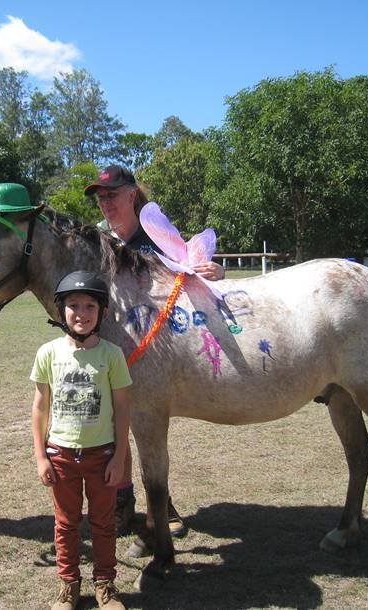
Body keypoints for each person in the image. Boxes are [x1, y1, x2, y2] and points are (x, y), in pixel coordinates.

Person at [84, 165, 225, 542]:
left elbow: (190, 272)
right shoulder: (96, 239)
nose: (106, 202)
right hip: (109, 345)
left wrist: (217, 270)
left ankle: (164, 507)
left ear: (132, 195)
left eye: (112, 194)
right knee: (116, 432)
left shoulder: (160, 237)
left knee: (146, 431)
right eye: (101, 197)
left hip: (155, 350)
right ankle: (123, 504)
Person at [31, 271, 131, 610]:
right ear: (61, 311)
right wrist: (41, 456)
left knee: (104, 523)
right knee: (66, 523)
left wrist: (120, 457)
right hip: (60, 454)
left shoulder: (112, 355)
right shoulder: (48, 353)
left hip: (102, 454)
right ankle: (68, 586)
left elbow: (122, 410)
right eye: (73, 305)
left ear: (102, 313)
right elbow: (40, 407)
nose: (81, 312)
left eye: (90, 305)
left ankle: (105, 585)